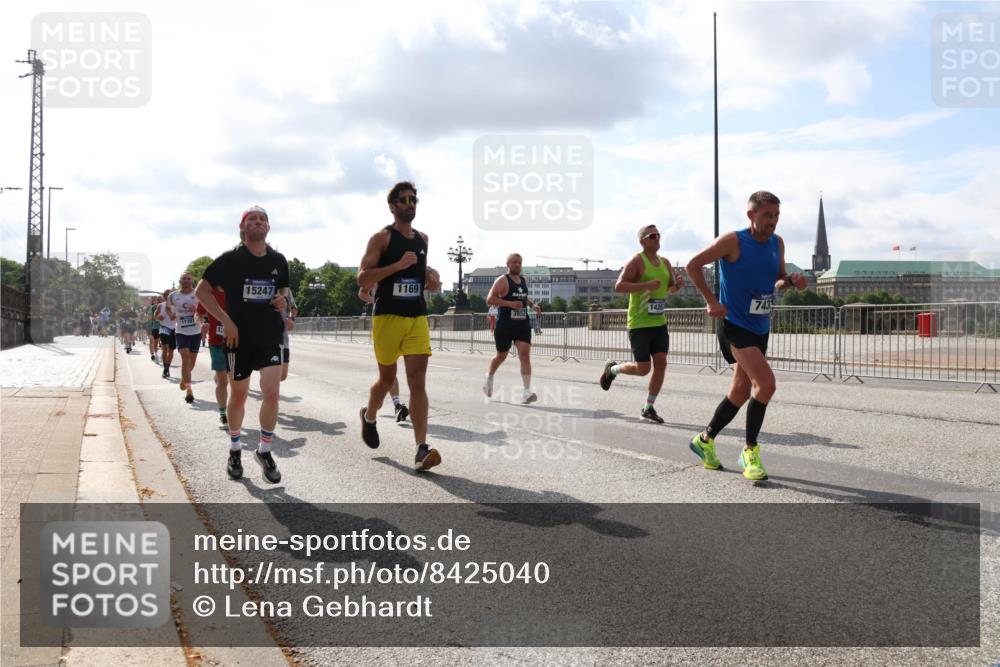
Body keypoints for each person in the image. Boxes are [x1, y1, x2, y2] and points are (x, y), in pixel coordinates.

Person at [684, 190, 806, 481]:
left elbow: (776, 281)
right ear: (751, 215)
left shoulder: (777, 243)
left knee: (739, 392)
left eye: (776, 216)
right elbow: (692, 265)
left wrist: (789, 281)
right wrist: (712, 301)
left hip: (760, 326)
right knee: (766, 384)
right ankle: (749, 452)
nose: (773, 222)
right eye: (767, 215)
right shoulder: (733, 241)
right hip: (734, 324)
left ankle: (704, 439)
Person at [195, 205, 289, 484]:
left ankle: (265, 450)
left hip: (270, 334)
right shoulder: (230, 260)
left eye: (263, 219)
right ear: (243, 227)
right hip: (238, 338)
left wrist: (282, 299)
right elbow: (202, 291)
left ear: (268, 228)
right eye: (252, 219)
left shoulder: (279, 260)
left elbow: (282, 288)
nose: (258, 222)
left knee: (272, 393)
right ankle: (235, 448)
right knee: (239, 396)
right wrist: (227, 321)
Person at [357, 181, 441, 471]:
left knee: (417, 381)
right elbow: (363, 278)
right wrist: (396, 266)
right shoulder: (381, 239)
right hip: (387, 317)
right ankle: (369, 416)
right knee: (386, 378)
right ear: (392, 206)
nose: (410, 203)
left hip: (417, 316)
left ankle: (421, 449)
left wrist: (431, 279)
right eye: (404, 200)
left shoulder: (423, 239)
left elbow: (421, 275)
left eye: (414, 199)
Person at [599, 225, 684, 424]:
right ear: (642, 241)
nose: (656, 238)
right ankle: (613, 370)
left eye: (658, 235)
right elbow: (619, 286)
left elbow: (669, 289)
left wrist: (678, 285)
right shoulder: (637, 261)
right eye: (652, 236)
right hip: (639, 323)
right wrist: (644, 285)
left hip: (659, 322)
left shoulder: (665, 262)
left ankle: (648, 408)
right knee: (644, 368)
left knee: (661, 363)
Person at [483, 252, 540, 404]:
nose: (517, 265)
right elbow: (490, 299)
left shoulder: (523, 280)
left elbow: (523, 297)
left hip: (522, 324)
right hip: (505, 325)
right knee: (501, 356)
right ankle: (489, 377)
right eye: (514, 262)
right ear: (508, 264)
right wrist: (510, 304)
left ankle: (526, 393)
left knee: (525, 357)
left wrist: (532, 305)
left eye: (519, 262)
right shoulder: (502, 280)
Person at [359, 285, 409, 422]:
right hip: (384, 322)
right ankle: (392, 404)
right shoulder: (381, 268)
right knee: (388, 370)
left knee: (388, 373)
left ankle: (379, 402)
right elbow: (362, 292)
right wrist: (376, 300)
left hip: (406, 321)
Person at [197, 286, 230, 427]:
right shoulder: (209, 293)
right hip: (216, 342)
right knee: (223, 382)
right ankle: (223, 414)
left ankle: (219, 375)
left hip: (236, 342)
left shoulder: (238, 290)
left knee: (232, 379)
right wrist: (201, 324)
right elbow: (198, 314)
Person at [168, 272, 202, 404]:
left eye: (189, 278)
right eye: (184, 279)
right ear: (180, 280)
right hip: (181, 331)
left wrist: (197, 311)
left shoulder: (198, 294)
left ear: (192, 280)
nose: (186, 280)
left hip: (195, 331)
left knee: (191, 363)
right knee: (185, 359)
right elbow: (168, 308)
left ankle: (184, 379)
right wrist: (171, 315)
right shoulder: (173, 295)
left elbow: (204, 310)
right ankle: (189, 390)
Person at [157, 290, 176, 378]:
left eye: (171, 295)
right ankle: (165, 368)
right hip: (164, 328)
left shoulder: (177, 305)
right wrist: (158, 317)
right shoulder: (161, 305)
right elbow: (155, 315)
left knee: (171, 350)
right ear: (165, 297)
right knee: (165, 348)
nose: (169, 296)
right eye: (167, 295)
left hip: (174, 329)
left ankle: (167, 367)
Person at [280, 289, 298, 381]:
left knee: (282, 377)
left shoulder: (286, 290)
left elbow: (294, 308)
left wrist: (292, 320)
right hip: (266, 338)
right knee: (269, 374)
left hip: (283, 339)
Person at [148, 296, 161, 361]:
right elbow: (149, 317)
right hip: (154, 327)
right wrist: (157, 317)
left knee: (163, 343)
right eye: (156, 299)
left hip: (163, 327)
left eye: (159, 299)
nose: (157, 301)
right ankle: (153, 354)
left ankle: (159, 354)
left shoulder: (164, 306)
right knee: (152, 341)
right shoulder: (152, 307)